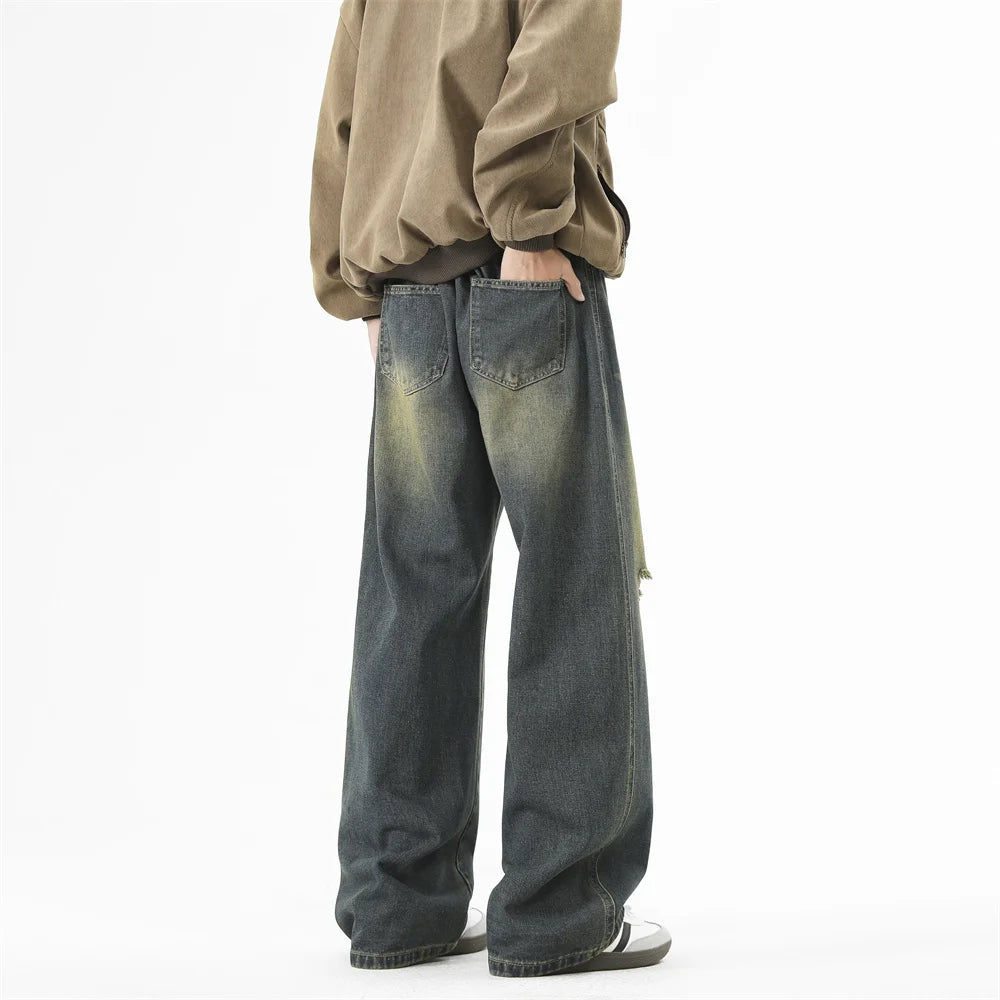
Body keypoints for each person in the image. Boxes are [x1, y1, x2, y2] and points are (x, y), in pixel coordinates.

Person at [309, 0, 669, 978]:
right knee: (574, 581)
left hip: (405, 282)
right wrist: (527, 216)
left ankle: (399, 902)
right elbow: (565, 42)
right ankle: (560, 907)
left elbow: (347, 101)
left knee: (412, 592)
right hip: (522, 261)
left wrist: (357, 282)